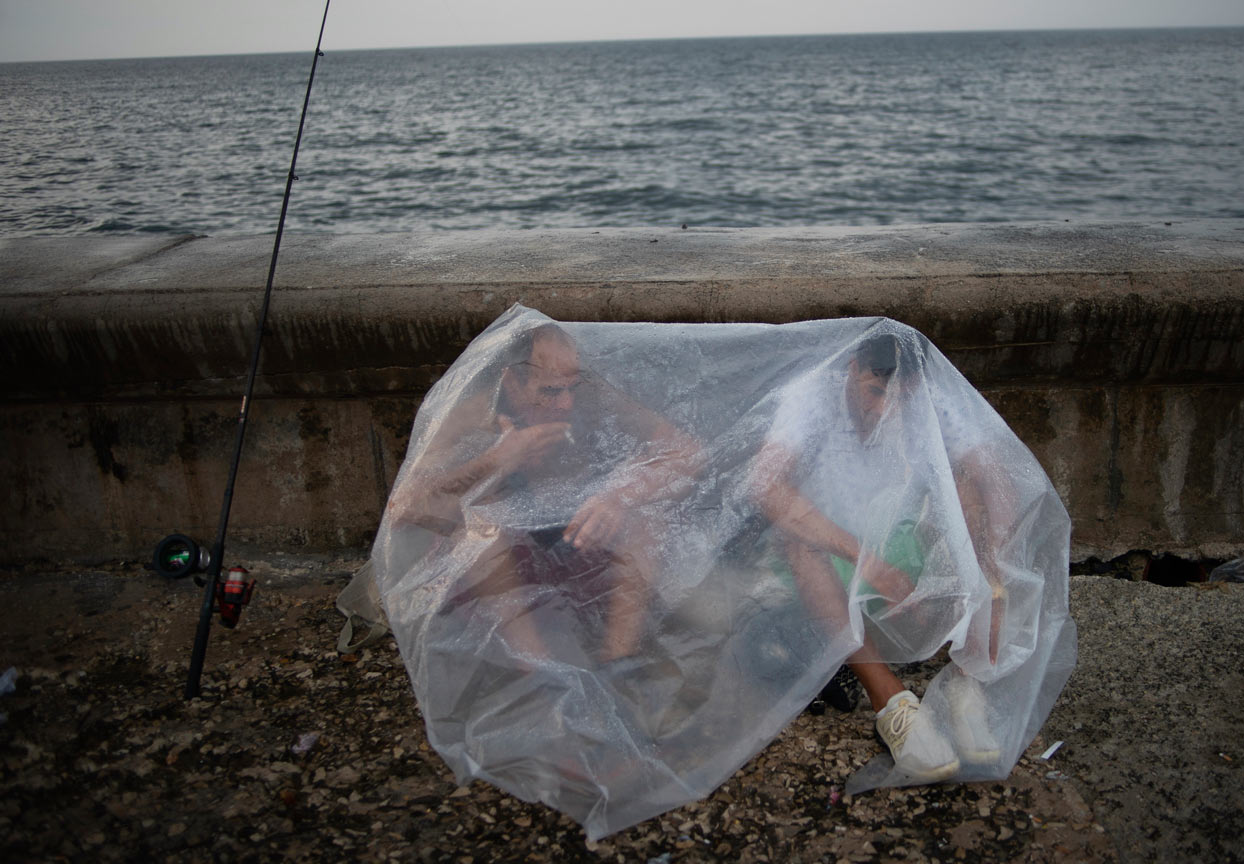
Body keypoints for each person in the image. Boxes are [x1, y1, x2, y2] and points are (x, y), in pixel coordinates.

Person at [749, 331, 1014, 782]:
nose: (882, 410)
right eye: (874, 392)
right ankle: (891, 703)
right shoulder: (811, 395)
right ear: (852, 369)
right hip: (827, 561)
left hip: (898, 547)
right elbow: (764, 486)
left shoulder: (927, 397)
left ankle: (967, 687)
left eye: (897, 398)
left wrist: (991, 565)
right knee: (796, 536)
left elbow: (995, 476)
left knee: (969, 490)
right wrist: (866, 561)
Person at [388, 322, 700, 666]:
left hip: (582, 545)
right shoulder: (473, 416)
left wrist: (618, 496)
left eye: (571, 387)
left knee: (648, 509)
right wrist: (494, 461)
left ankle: (619, 661)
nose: (565, 403)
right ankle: (539, 674)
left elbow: (687, 451)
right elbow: (402, 509)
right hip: (505, 570)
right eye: (549, 391)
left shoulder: (591, 398)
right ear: (512, 382)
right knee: (479, 529)